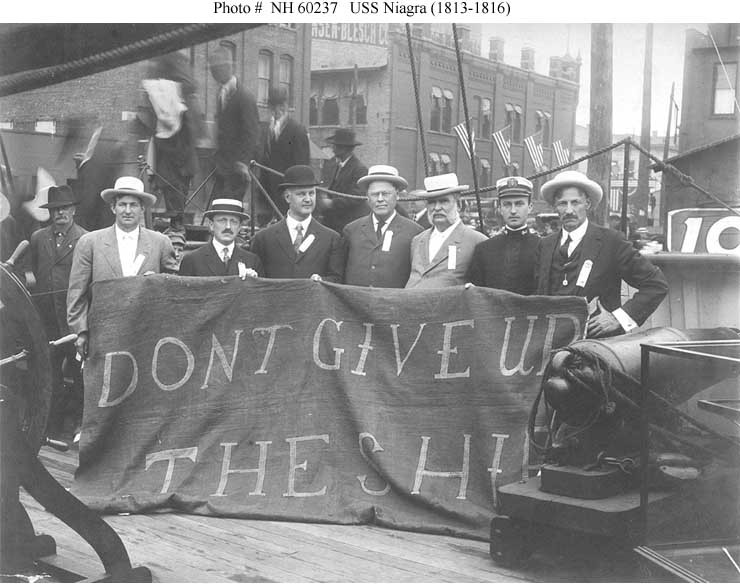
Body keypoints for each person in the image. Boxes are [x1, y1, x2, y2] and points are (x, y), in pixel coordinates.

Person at [534, 170, 668, 338]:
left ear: (588, 204)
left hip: (597, 346)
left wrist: (618, 318)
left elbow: (656, 284)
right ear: (555, 206)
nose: (569, 210)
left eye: (576, 203)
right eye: (562, 203)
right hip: (549, 344)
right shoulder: (545, 245)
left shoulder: (611, 241)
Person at [67, 176, 178, 360]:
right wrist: (81, 331)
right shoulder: (91, 243)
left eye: (133, 205)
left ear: (142, 208)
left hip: (147, 334)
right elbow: (77, 293)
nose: (127, 211)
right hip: (103, 333)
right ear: (113, 207)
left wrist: (158, 282)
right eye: (122, 204)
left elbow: (174, 289)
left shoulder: (160, 243)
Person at [28, 185, 87, 437]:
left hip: (72, 320)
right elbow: (30, 271)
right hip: (46, 320)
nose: (60, 213)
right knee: (49, 375)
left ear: (73, 210)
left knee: (79, 375)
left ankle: (78, 424)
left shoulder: (86, 239)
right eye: (55, 209)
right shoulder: (38, 238)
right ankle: (50, 425)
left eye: (64, 208)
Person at [141, 50, 202, 233]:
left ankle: (177, 229)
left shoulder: (171, 92)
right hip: (172, 155)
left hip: (177, 155)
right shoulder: (179, 94)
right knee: (174, 198)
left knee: (175, 198)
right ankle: (176, 227)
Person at [250, 165, 344, 282]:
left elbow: (337, 279)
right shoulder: (264, 238)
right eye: (301, 194)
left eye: (311, 193)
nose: (308, 199)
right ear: (288, 197)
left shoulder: (331, 239)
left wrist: (322, 281)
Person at [342, 165, 423, 288]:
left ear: (397, 195)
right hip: (356, 302)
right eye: (375, 194)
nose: (380, 199)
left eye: (385, 194)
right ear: (367, 197)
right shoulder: (351, 230)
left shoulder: (414, 232)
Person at [405, 173, 487, 289]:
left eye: (444, 201)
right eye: (432, 202)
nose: (437, 208)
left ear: (458, 205)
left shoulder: (477, 241)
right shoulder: (417, 240)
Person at [466, 176, 539, 295]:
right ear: (499, 208)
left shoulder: (542, 248)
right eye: (507, 205)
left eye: (519, 204)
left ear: (530, 207)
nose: (513, 210)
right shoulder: (484, 249)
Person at [208, 46, 260, 201]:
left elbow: (252, 133)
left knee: (229, 209)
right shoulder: (221, 93)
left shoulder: (244, 96)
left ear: (228, 67)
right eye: (212, 69)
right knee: (218, 208)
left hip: (237, 168)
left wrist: (244, 163)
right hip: (222, 166)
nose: (213, 73)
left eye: (216, 68)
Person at [258, 86, 310, 224]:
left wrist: (295, 191)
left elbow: (302, 165)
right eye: (273, 106)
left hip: (286, 191)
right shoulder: (266, 129)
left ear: (285, 106)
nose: (276, 110)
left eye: (280, 105)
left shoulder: (297, 130)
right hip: (266, 191)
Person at [179, 199, 262, 278]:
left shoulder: (252, 261)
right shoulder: (192, 260)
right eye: (222, 220)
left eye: (234, 221)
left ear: (239, 227)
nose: (228, 227)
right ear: (211, 225)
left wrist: (252, 282)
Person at [318, 128, 369, 233]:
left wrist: (332, 203)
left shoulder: (359, 169)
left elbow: (357, 197)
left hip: (348, 222)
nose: (332, 149)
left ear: (344, 148)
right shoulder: (337, 166)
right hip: (335, 221)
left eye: (335, 146)